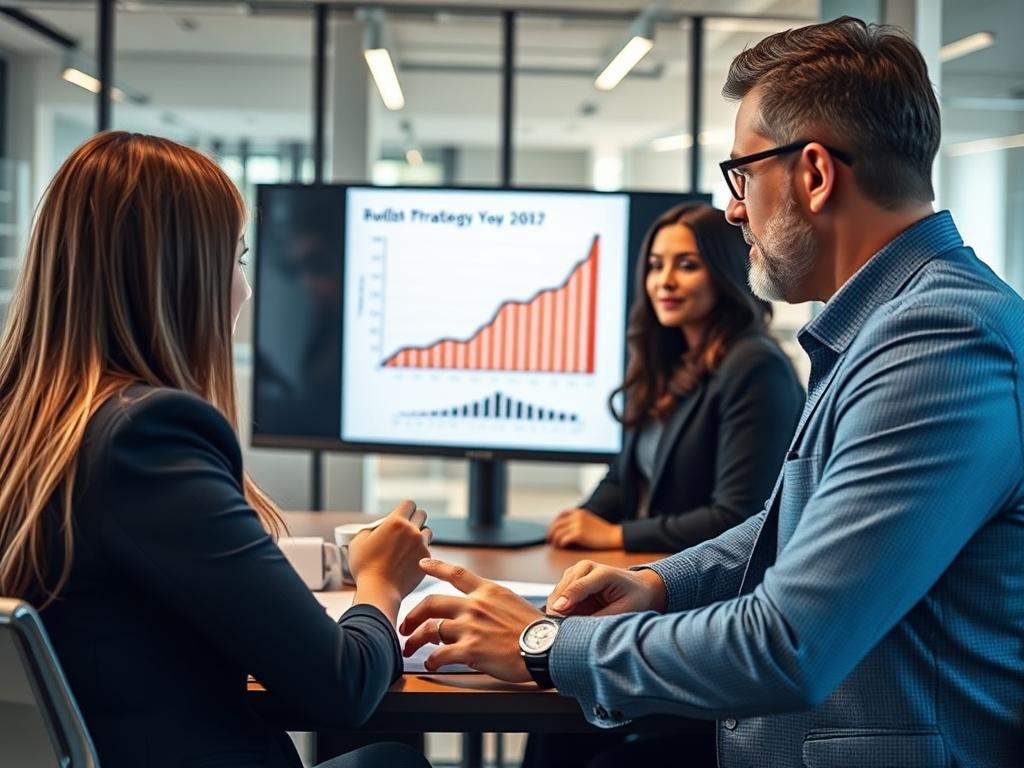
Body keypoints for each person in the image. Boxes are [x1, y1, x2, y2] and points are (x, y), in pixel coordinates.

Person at [400, 17, 1024, 768]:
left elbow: (788, 643)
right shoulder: (885, 324)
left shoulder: (939, 341)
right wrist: (660, 582)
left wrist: (546, 644)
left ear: (815, 174)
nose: (734, 209)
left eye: (743, 175)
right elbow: (790, 524)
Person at [0, 132, 433, 768]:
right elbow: (340, 686)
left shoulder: (26, 423)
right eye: (237, 259)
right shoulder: (145, 438)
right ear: (181, 275)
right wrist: (380, 579)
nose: (245, 290)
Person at [547, 203, 803, 552]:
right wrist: (579, 523)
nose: (665, 281)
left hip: (715, 585)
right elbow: (625, 476)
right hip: (655, 566)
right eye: (655, 266)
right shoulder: (669, 359)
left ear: (723, 271)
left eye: (687, 265)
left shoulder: (755, 366)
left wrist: (616, 536)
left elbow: (737, 517)